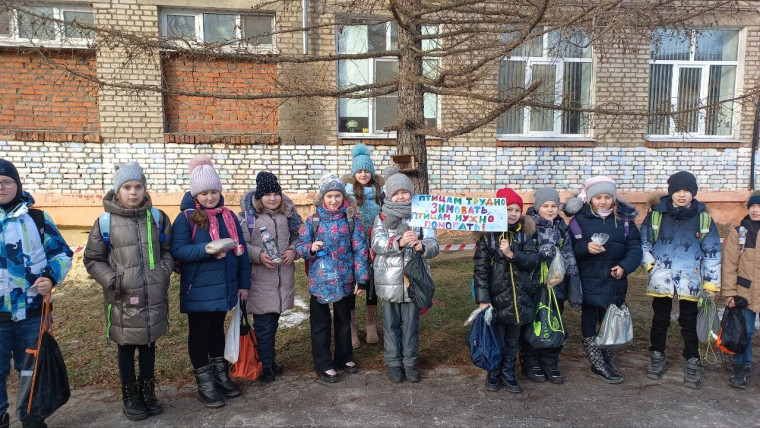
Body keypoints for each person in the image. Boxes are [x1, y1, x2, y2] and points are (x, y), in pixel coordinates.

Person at [84, 162, 173, 420]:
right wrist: (112, 279)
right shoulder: (105, 222)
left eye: (138, 186)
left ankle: (147, 390)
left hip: (153, 296)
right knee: (125, 346)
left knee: (148, 343)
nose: (133, 192)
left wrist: (163, 270)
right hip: (123, 297)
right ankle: (130, 394)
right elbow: (92, 259)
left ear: (145, 189)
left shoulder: (157, 218)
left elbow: (167, 251)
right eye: (126, 187)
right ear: (117, 190)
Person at [170, 155, 250, 407]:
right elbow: (178, 251)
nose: (210, 197)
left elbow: (241, 251)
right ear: (195, 194)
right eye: (204, 193)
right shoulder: (186, 218)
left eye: (214, 191)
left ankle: (220, 375)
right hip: (198, 289)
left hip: (224, 286)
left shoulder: (228, 216)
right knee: (200, 335)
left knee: (217, 332)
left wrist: (243, 283)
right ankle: (204, 383)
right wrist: (205, 249)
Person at [0, 159, 73, 428]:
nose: (2, 187)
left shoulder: (36, 218)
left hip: (32, 311)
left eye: (7, 181)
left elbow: (62, 253)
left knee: (31, 367)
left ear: (17, 185)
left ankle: (32, 416)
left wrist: (51, 276)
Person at [640, 171, 720, 389]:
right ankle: (657, 356)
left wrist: (711, 284)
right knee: (660, 319)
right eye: (677, 191)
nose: (682, 195)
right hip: (662, 277)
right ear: (671, 193)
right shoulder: (656, 215)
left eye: (687, 191)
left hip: (690, 279)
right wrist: (650, 267)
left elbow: (712, 251)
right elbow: (644, 243)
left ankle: (692, 361)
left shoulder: (703, 219)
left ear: (693, 193)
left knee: (688, 321)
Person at [566, 176, 642, 384]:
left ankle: (608, 356)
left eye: (607, 197)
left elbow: (635, 249)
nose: (603, 201)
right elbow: (570, 249)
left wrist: (625, 267)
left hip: (615, 279)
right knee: (590, 317)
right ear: (590, 199)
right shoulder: (578, 221)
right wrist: (585, 248)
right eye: (598, 197)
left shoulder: (625, 222)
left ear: (614, 199)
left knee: (610, 319)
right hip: (589, 278)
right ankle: (596, 361)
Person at [295, 173, 369, 383]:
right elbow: (299, 246)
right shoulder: (313, 221)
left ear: (343, 197)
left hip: (345, 280)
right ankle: (323, 364)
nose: (334, 200)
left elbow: (360, 249)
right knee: (321, 324)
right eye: (329, 196)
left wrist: (361, 278)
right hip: (320, 282)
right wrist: (310, 247)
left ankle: (344, 358)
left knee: (344, 321)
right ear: (323, 198)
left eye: (338, 196)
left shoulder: (351, 220)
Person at [372, 167, 439, 383]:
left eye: (405, 192)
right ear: (389, 195)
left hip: (414, 282)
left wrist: (422, 246)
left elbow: (434, 243)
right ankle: (393, 363)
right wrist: (398, 242)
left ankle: (410, 363)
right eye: (396, 193)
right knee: (390, 326)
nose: (401, 197)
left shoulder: (422, 215)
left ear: (411, 193)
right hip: (389, 281)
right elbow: (377, 243)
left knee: (411, 326)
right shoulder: (381, 218)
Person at [238, 171, 302, 383]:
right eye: (267, 194)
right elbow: (239, 246)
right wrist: (258, 255)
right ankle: (264, 365)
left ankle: (268, 359)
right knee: (264, 325)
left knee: (272, 324)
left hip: (281, 279)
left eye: (276, 193)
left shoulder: (287, 217)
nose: (272, 198)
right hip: (260, 281)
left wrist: (293, 251)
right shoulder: (249, 219)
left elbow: (298, 239)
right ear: (258, 197)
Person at [473, 188, 537, 393]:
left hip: (520, 299)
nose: (513, 213)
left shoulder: (525, 236)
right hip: (497, 300)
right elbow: (480, 271)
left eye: (517, 209)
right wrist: (483, 300)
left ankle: (508, 371)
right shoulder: (488, 238)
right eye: (508, 209)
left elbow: (533, 261)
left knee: (512, 339)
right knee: (497, 338)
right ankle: (494, 371)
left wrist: (512, 254)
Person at [520, 187, 581, 384]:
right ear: (537, 207)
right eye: (545, 205)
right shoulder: (528, 226)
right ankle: (531, 362)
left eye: (554, 206)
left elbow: (569, 254)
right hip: (534, 286)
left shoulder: (562, 228)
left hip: (556, 287)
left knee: (553, 323)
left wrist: (573, 282)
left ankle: (550, 363)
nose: (550, 209)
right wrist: (539, 254)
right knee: (534, 324)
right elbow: (523, 255)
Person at [344, 144, 384, 348]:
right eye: (359, 171)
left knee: (372, 286)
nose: (363, 174)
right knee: (354, 285)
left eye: (366, 171)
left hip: (375, 246)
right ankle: (351, 329)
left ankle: (371, 326)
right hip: (354, 247)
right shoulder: (347, 193)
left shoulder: (379, 191)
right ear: (354, 173)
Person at [721, 190, 760, 389]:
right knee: (744, 331)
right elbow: (729, 265)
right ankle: (741, 367)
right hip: (745, 291)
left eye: (759, 206)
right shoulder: (740, 232)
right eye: (753, 206)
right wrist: (729, 293)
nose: (756, 210)